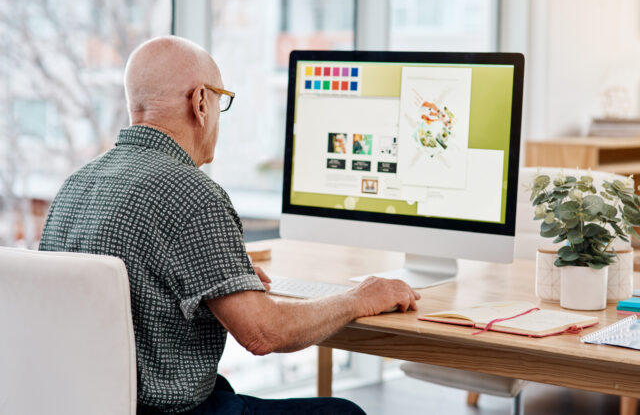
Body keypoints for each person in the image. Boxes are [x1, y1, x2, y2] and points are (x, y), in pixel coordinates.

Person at [39, 36, 420, 415]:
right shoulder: (193, 193)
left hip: (86, 403)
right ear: (200, 102)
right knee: (343, 412)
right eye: (223, 100)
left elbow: (122, 288)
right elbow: (263, 333)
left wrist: (215, 275)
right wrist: (362, 297)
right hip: (174, 412)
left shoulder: (78, 183)